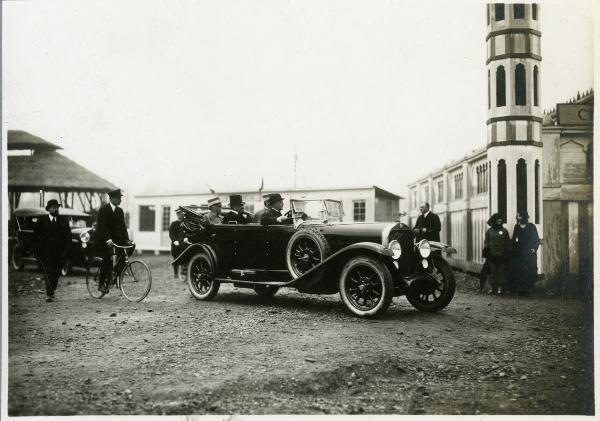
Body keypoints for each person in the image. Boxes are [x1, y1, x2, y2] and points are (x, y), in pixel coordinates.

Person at [33, 199, 72, 302]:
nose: (56, 209)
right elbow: (35, 237)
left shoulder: (63, 221)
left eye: (57, 207)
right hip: (45, 253)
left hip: (60, 253)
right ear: (49, 209)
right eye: (53, 207)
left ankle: (52, 288)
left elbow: (68, 237)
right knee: (48, 272)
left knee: (56, 273)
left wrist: (66, 251)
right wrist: (36, 251)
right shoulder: (41, 221)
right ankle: (49, 293)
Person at [96, 189, 131, 293]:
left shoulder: (120, 211)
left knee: (130, 248)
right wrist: (108, 239)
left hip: (116, 238)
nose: (120, 200)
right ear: (112, 199)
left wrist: (127, 240)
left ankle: (115, 272)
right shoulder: (103, 210)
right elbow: (102, 227)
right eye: (118, 198)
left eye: (120, 198)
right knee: (107, 260)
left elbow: (122, 226)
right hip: (104, 238)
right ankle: (101, 284)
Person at [510, 211, 540, 295]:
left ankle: (530, 289)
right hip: (519, 254)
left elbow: (535, 239)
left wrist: (533, 248)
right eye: (517, 217)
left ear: (524, 217)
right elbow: (514, 240)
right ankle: (521, 290)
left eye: (519, 216)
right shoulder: (517, 227)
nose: (517, 218)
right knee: (519, 270)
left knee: (531, 270)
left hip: (529, 253)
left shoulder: (531, 227)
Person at [483, 213, 511, 294]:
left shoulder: (504, 231)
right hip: (492, 255)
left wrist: (508, 253)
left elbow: (508, 243)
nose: (500, 221)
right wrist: (486, 252)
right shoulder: (489, 231)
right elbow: (486, 242)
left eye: (501, 220)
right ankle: (493, 288)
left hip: (502, 255)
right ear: (494, 221)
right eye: (498, 220)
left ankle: (501, 288)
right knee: (492, 272)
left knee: (502, 272)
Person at [169, 208, 185, 278]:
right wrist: (175, 240)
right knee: (176, 258)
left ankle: (183, 273)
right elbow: (171, 234)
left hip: (184, 243)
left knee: (184, 258)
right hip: (176, 244)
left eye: (181, 214)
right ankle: (176, 273)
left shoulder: (185, 223)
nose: (180, 216)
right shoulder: (174, 224)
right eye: (178, 214)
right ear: (177, 215)